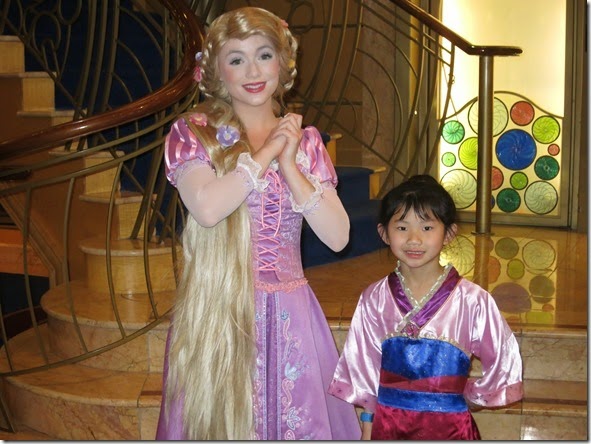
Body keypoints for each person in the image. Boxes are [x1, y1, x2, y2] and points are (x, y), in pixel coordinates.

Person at [155, 6, 361, 441]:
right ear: (217, 71)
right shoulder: (194, 134)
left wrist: (290, 163)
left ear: (282, 64)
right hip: (218, 313)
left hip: (292, 317)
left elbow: (338, 236)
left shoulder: (306, 144)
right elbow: (208, 209)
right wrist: (266, 153)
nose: (252, 71)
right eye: (236, 59)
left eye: (263, 55)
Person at [327, 175, 524, 440]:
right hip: (388, 428)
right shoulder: (374, 299)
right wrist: (368, 424)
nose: (414, 239)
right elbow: (363, 368)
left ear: (449, 233)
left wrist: (468, 395)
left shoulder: (473, 301)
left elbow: (503, 361)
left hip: (452, 429)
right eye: (402, 227)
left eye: (427, 227)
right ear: (384, 233)